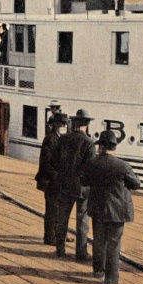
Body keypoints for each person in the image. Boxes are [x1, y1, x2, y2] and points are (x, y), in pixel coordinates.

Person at [83, 131, 141, 284]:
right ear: (114, 147)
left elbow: (84, 181)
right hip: (117, 211)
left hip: (98, 208)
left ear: (101, 147)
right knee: (114, 243)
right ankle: (111, 278)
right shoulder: (123, 166)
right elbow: (136, 184)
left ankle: (98, 271)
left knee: (99, 241)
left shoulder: (93, 163)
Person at [53, 109, 96, 261]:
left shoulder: (64, 139)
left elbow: (55, 161)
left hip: (65, 184)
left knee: (62, 217)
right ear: (87, 124)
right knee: (82, 219)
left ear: (75, 122)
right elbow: (90, 167)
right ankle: (81, 252)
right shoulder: (89, 142)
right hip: (82, 188)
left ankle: (60, 249)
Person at [35, 112, 68, 245]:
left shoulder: (61, 138)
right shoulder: (50, 139)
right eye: (61, 123)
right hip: (50, 181)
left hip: (58, 181)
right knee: (52, 210)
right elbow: (45, 163)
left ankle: (59, 235)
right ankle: (50, 238)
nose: (64, 126)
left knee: (58, 210)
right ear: (55, 125)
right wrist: (57, 176)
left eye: (65, 123)